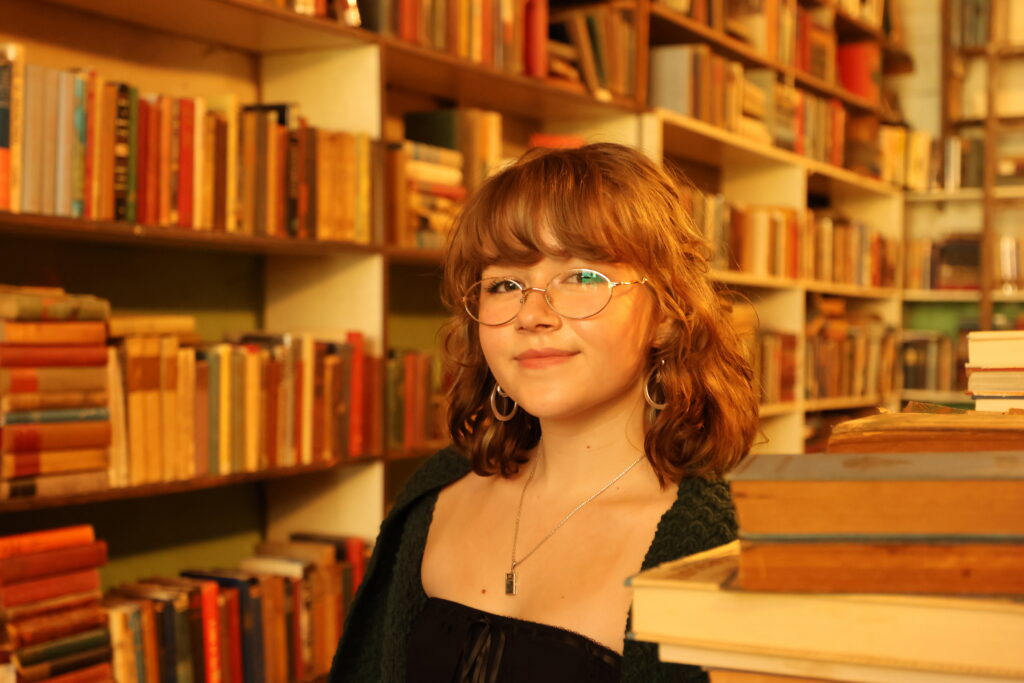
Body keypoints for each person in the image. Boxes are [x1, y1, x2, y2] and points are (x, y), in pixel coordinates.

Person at [329, 142, 759, 682]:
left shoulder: (718, 546)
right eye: (506, 284)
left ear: (668, 315)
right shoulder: (431, 497)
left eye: (582, 278)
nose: (533, 314)